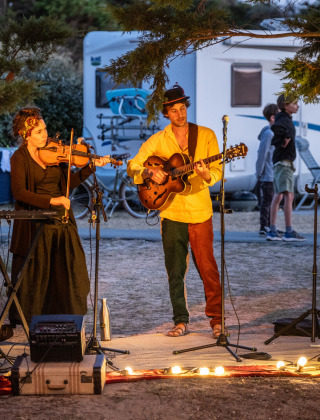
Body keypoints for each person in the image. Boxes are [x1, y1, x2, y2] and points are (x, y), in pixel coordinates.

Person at [127, 85, 223, 338]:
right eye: (174, 110)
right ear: (166, 113)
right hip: (170, 211)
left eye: (182, 108)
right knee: (175, 270)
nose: (180, 114)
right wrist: (149, 172)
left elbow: (218, 171)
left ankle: (217, 320)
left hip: (200, 211)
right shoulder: (158, 140)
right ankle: (180, 320)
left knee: (208, 268)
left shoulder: (206, 135)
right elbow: (133, 165)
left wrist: (207, 174)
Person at [9, 107, 111, 326]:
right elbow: (19, 193)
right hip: (35, 224)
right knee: (39, 276)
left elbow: (67, 184)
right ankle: (33, 321)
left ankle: (64, 318)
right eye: (38, 131)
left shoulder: (56, 153)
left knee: (66, 272)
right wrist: (51, 201)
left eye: (44, 129)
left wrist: (90, 167)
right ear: (25, 134)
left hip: (61, 222)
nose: (45, 135)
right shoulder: (19, 158)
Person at [266, 95, 306, 242]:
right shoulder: (283, 119)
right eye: (294, 103)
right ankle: (289, 232)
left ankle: (272, 230)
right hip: (284, 162)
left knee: (279, 196)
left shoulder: (283, 118)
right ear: (285, 105)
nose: (297, 106)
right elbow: (275, 127)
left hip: (280, 162)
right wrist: (287, 135)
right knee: (289, 195)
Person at [256, 103, 280, 235]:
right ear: (272, 118)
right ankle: (264, 226)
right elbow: (262, 154)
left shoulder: (274, 133)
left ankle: (272, 225)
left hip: (274, 173)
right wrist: (259, 173)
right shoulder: (268, 134)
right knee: (267, 200)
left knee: (273, 200)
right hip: (268, 174)